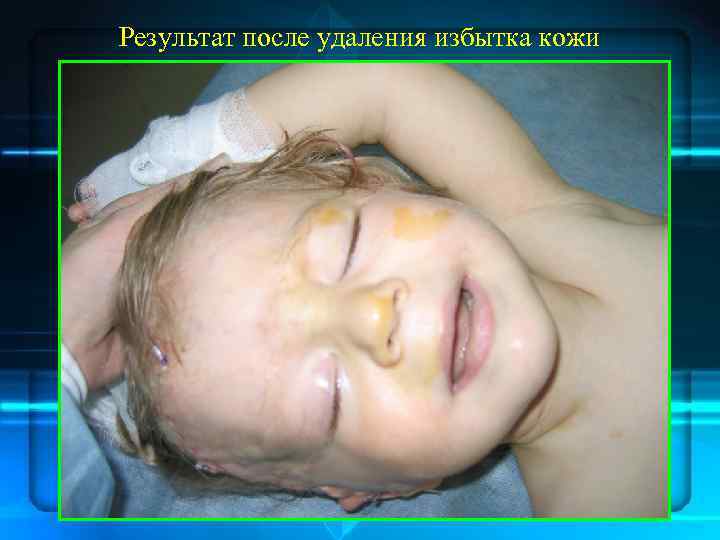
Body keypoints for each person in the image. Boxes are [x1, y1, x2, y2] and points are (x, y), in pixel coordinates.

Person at [63, 64, 667, 517]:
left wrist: (168, 161)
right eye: (329, 398)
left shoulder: (532, 211)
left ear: (377, 184)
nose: (373, 318)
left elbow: (378, 86)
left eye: (345, 247)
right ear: (379, 487)